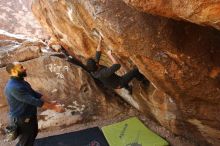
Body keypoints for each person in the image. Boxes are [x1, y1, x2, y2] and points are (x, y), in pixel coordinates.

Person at [4, 62, 65, 146]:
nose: (25, 68)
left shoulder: (22, 82)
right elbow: (33, 101)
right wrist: (54, 108)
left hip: (29, 116)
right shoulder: (14, 87)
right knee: (26, 141)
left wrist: (50, 102)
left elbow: (35, 94)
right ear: (13, 71)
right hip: (21, 119)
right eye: (21, 67)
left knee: (32, 135)